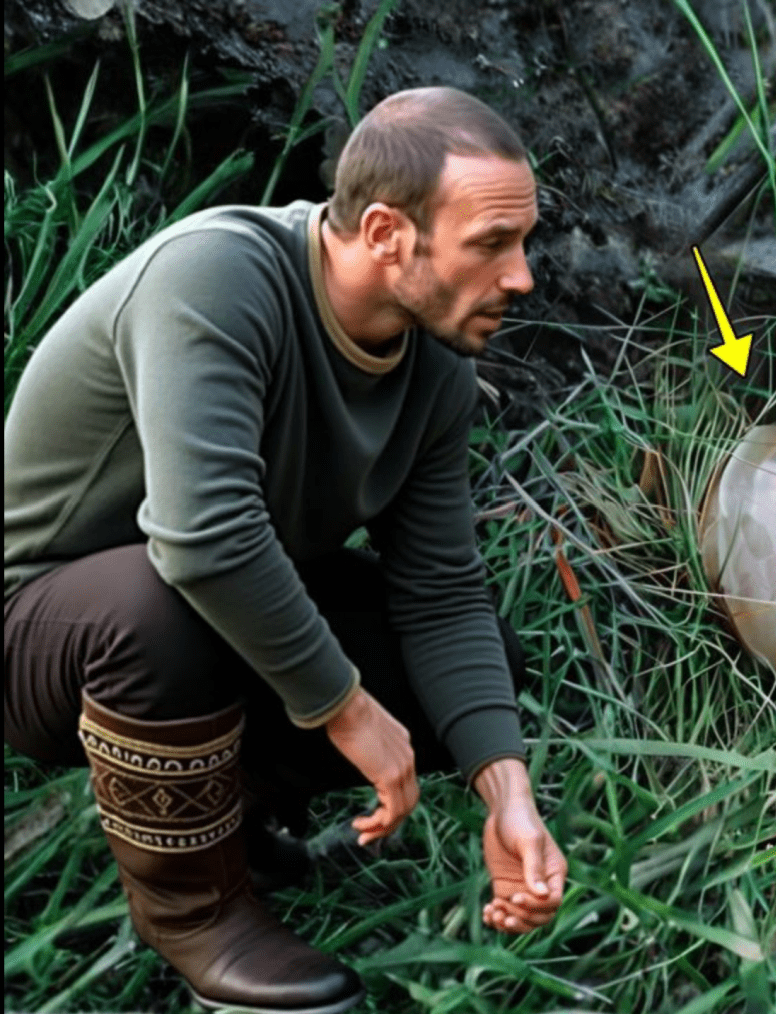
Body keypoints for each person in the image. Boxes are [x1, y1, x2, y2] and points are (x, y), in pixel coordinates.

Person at [4, 86, 567, 1014]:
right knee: (162, 607)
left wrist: (506, 789)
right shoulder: (217, 278)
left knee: (474, 668)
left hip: (201, 611)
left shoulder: (434, 371)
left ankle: (228, 823)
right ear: (387, 232)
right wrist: (345, 707)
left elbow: (442, 595)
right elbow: (204, 538)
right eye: (490, 245)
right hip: (44, 627)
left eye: (523, 242)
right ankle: (192, 910)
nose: (522, 277)